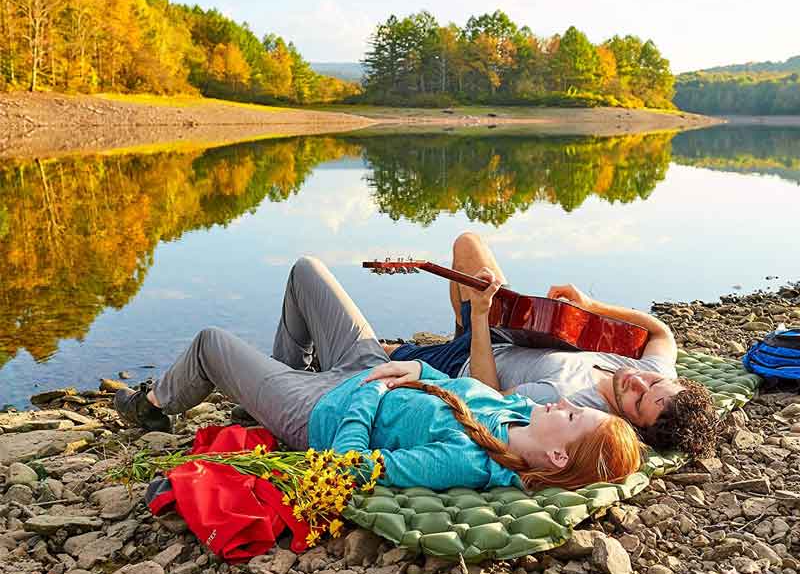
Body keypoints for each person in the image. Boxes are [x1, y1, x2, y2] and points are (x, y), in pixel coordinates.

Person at [115, 255, 641, 494]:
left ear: (556, 456)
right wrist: (412, 366)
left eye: (572, 418)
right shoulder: (519, 413)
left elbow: (349, 466)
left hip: (325, 410)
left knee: (209, 343)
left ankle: (152, 405)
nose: (564, 406)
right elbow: (462, 387)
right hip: (372, 369)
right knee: (306, 271)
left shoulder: (461, 461)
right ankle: (267, 391)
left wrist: (376, 392)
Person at [389, 232, 719, 459]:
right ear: (673, 380)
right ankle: (461, 325)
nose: (638, 381)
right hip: (509, 330)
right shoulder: (653, 373)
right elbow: (662, 334)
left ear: (631, 425)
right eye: (655, 383)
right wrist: (592, 306)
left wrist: (479, 315)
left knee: (380, 354)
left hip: (463, 362)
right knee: (468, 244)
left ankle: (455, 334)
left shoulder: (570, 402)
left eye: (637, 401)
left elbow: (484, 397)